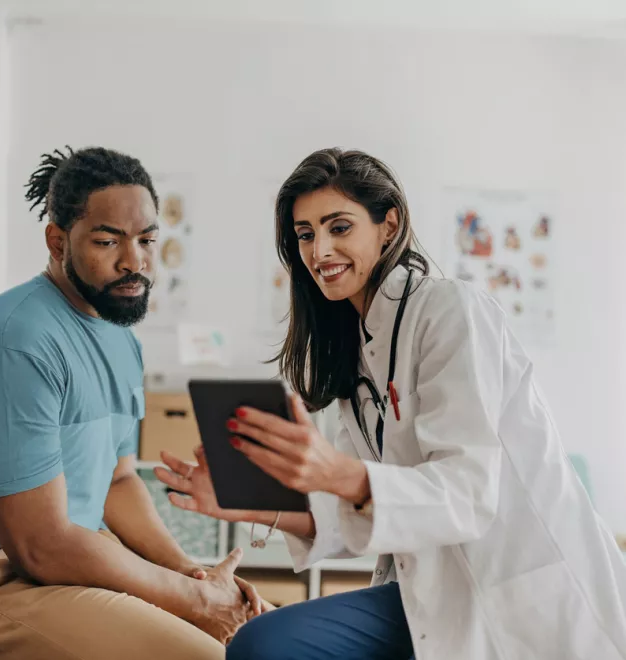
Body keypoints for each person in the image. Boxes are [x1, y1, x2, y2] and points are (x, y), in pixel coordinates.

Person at [157, 148, 626, 660]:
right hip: (428, 594)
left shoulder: (450, 312)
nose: (320, 251)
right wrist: (261, 507)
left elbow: (467, 493)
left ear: (389, 225)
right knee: (263, 643)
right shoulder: (355, 354)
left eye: (339, 227)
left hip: (519, 597)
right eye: (306, 234)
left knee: (266, 645)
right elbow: (360, 514)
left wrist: (335, 473)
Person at [0, 146, 263, 660]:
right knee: (200, 654)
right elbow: (40, 544)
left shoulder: (119, 338)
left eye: (148, 240)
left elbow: (118, 480)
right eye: (108, 241)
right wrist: (193, 600)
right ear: (57, 240)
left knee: (245, 637)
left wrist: (192, 574)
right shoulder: (14, 342)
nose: (134, 261)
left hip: (60, 564)